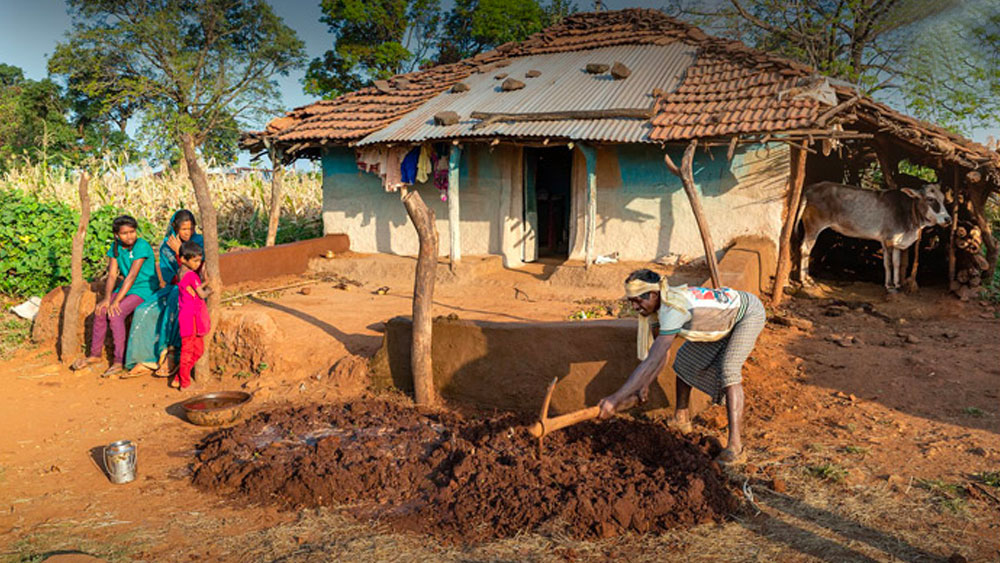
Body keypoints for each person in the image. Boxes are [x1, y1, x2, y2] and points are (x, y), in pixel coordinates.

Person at [597, 269, 766, 465]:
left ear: (653, 294)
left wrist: (615, 399)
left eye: (637, 300)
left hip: (746, 313)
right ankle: (681, 419)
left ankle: (736, 448)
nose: (634, 307)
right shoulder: (655, 310)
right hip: (718, 322)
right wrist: (645, 385)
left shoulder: (673, 309)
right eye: (631, 301)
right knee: (685, 361)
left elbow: (653, 358)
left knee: (729, 369)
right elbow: (661, 353)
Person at [71, 215, 160, 378]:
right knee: (101, 310)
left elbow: (132, 275)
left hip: (144, 288)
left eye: (132, 232)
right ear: (116, 235)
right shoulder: (116, 247)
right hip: (126, 287)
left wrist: (117, 301)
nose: (130, 236)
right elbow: (112, 275)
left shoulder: (141, 246)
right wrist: (106, 299)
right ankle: (95, 355)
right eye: (125, 233)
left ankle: (119, 361)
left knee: (116, 313)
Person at [123, 210, 203, 376]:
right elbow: (168, 276)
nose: (188, 233)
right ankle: (144, 360)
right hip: (172, 285)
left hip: (190, 287)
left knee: (172, 310)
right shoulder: (166, 246)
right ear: (175, 228)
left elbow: (196, 272)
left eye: (191, 228)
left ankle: (170, 357)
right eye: (184, 229)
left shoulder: (199, 242)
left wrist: (180, 251)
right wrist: (174, 251)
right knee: (143, 310)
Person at [173, 240, 211, 390]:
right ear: (183, 259)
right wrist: (210, 288)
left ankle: (179, 377)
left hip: (186, 316)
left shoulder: (182, 272)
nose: (197, 264)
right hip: (191, 318)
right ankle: (185, 383)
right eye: (194, 261)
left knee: (195, 350)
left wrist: (204, 282)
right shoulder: (192, 276)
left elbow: (192, 289)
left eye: (199, 261)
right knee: (190, 350)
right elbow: (201, 294)